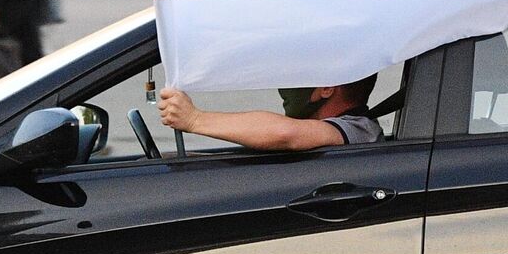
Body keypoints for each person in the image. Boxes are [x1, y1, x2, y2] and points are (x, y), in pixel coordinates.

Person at [156, 76, 382, 152]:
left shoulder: (360, 130)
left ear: (327, 88)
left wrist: (195, 119)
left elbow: (285, 133)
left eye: (298, 76)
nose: (286, 86)